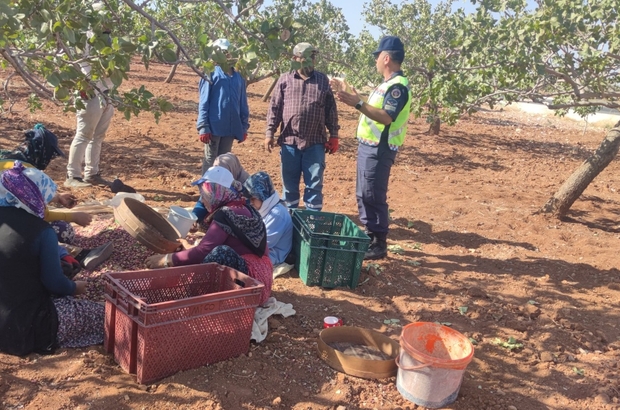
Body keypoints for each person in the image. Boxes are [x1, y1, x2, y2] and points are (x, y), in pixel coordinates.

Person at [0, 161, 104, 356]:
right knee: (104, 316)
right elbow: (54, 283)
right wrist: (74, 288)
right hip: (23, 330)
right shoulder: (42, 231)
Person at [331, 36, 412, 260]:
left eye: (377, 56)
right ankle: (370, 236)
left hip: (380, 148)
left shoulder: (397, 87)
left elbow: (386, 117)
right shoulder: (387, 84)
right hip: (370, 147)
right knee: (364, 193)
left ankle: (379, 243)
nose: (375, 60)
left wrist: (357, 103)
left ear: (386, 58)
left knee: (373, 194)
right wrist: (354, 95)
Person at [146, 166, 273, 305]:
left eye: (205, 195)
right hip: (264, 277)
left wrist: (166, 260)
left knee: (220, 253)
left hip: (252, 283)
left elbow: (203, 252)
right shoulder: (245, 207)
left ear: (216, 193)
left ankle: (191, 301)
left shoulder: (226, 214)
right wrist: (189, 248)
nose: (202, 200)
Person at [0, 124, 114, 272]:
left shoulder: (7, 162)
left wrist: (57, 198)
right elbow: (42, 215)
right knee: (61, 229)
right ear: (42, 153)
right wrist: (73, 216)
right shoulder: (30, 173)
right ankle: (75, 256)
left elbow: (17, 193)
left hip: (5, 225)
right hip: (11, 232)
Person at [264, 42, 339, 212]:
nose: (311, 60)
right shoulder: (285, 79)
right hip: (290, 142)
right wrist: (270, 132)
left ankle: (312, 221)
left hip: (315, 143)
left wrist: (334, 135)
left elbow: (331, 110)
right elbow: (275, 108)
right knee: (289, 186)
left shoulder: (322, 80)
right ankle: (289, 220)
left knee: (314, 186)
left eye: (313, 57)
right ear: (295, 58)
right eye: (307, 56)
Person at [64, 28, 115, 188]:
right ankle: (72, 176)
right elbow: (68, 61)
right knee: (84, 135)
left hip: (105, 92)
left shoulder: (107, 37)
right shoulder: (83, 37)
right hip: (90, 92)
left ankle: (92, 174)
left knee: (97, 137)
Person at [197, 38, 250, 174]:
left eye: (227, 52)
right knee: (210, 159)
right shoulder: (211, 73)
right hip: (214, 127)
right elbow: (204, 101)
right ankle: (207, 192)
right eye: (221, 52)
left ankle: (220, 192)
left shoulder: (238, 77)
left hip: (231, 127)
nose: (225, 55)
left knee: (224, 160)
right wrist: (203, 126)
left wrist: (243, 126)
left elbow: (243, 102)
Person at [243, 171, 293, 268]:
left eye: (253, 198)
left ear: (263, 196)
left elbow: (261, 245)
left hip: (272, 256)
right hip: (262, 251)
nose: (251, 202)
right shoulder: (266, 207)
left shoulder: (277, 215)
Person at [191, 152, 250, 229]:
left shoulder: (247, 190)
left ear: (230, 169)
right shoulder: (215, 186)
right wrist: (194, 217)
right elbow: (204, 199)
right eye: (216, 168)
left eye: (221, 170)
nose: (217, 172)